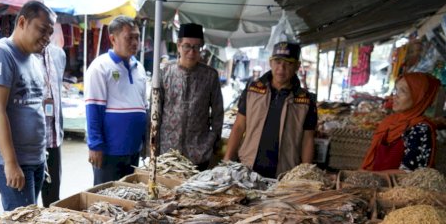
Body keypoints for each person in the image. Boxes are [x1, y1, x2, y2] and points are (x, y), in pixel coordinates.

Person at [0, 0, 56, 211]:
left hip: (35, 159)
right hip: (12, 161)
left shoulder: (33, 59)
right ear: (22, 22)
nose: (47, 38)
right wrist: (10, 163)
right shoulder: (0, 53)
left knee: (29, 221)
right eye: (42, 30)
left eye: (50, 33)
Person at [224, 42, 317, 178]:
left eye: (288, 63)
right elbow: (238, 126)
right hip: (247, 168)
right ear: (270, 63)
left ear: (297, 66)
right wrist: (227, 160)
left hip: (284, 173)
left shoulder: (306, 100)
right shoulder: (253, 90)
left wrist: (306, 173)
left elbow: (307, 139)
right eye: (277, 62)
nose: (281, 68)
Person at [85, 16, 147, 184]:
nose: (135, 42)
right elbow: (93, 109)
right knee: (105, 200)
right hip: (109, 151)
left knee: (128, 197)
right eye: (129, 38)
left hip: (133, 149)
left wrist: (144, 142)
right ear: (113, 38)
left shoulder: (139, 68)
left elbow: (143, 107)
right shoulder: (100, 67)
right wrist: (95, 145)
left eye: (137, 37)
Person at [160, 23, 223, 171]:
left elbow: (218, 112)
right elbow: (155, 111)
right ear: (179, 46)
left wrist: (212, 141)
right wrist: (153, 147)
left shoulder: (210, 75)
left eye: (196, 47)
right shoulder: (165, 73)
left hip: (199, 153)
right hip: (168, 153)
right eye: (187, 46)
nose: (191, 52)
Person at [361, 72, 440, 171]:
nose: (395, 96)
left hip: (397, 185)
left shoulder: (420, 129)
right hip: (378, 181)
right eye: (396, 90)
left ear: (419, 97)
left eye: (403, 91)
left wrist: (371, 177)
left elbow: (408, 173)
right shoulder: (390, 122)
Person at [40, 43, 67, 206]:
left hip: (53, 138)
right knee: (25, 205)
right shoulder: (18, 54)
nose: (45, 33)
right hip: (29, 144)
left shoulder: (58, 54)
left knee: (52, 199)